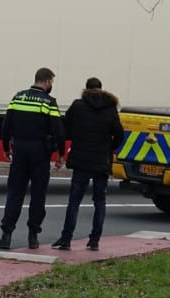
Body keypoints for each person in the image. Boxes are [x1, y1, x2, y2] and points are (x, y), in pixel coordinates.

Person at [0, 68, 65, 250]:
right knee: (38, 194)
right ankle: (33, 237)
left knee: (15, 193)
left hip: (20, 150)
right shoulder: (49, 102)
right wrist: (61, 154)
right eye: (52, 83)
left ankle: (6, 236)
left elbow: (6, 125)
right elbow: (58, 130)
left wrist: (5, 148)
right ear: (47, 81)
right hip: (40, 152)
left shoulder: (18, 98)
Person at [52, 77, 125, 252]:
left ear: (86, 89)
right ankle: (94, 241)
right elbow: (120, 134)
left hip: (81, 160)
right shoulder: (110, 108)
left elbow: (65, 126)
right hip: (101, 161)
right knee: (99, 201)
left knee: (74, 201)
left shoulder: (78, 106)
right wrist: (110, 147)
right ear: (101, 89)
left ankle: (66, 239)